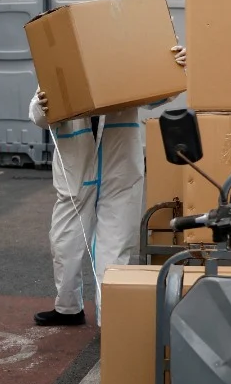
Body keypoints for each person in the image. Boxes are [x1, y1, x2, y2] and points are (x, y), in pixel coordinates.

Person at [28, 45, 186, 327]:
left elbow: (155, 95)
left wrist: (171, 65)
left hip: (119, 172)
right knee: (64, 243)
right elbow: (38, 117)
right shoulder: (59, 72)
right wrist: (42, 103)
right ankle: (68, 308)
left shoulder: (121, 70)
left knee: (115, 248)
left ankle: (110, 318)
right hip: (76, 174)